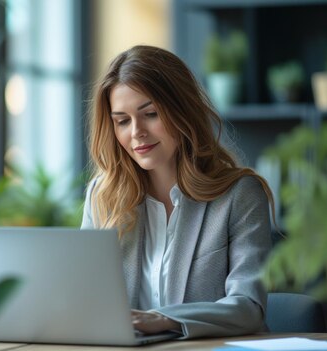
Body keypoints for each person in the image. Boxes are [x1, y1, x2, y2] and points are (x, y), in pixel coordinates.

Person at [81, 45, 275, 339]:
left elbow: (248, 307)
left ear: (182, 110)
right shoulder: (102, 197)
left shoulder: (239, 195)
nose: (136, 132)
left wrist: (162, 320)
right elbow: (82, 300)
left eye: (151, 114)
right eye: (122, 121)